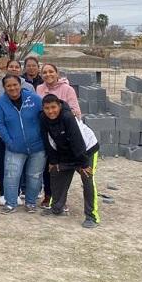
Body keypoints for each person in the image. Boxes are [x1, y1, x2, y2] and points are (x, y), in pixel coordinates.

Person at [39, 94, 100, 228]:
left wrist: (84, 164)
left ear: (59, 106)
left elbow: (77, 140)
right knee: (55, 172)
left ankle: (92, 216)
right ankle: (57, 208)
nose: (51, 111)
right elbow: (47, 140)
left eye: (53, 107)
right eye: (47, 108)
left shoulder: (67, 117)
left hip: (86, 149)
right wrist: (53, 161)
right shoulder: (43, 118)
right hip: (66, 151)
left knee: (87, 179)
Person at [0, 75, 45, 214]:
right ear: (4, 88)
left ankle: (31, 202)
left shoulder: (33, 99)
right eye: (9, 86)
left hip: (37, 147)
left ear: (20, 85)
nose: (13, 88)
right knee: (11, 175)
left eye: (15, 84)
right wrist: (9, 141)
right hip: (14, 148)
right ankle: (10, 203)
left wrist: (42, 137)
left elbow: (44, 116)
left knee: (34, 176)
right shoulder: (0, 103)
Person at [0, 59, 36, 205]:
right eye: (11, 66)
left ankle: (22, 191)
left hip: (23, 133)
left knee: (23, 163)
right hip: (2, 133)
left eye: (17, 67)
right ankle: (6, 193)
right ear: (6, 68)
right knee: (4, 163)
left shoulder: (28, 86)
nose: (14, 69)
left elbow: (33, 107)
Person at [36, 63, 82, 209]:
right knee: (48, 167)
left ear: (57, 73)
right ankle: (48, 195)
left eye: (51, 71)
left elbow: (75, 111)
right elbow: (40, 111)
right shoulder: (39, 89)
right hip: (47, 133)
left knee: (62, 169)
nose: (48, 74)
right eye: (44, 72)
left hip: (63, 136)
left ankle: (61, 199)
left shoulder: (67, 89)